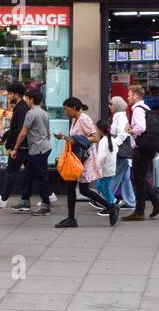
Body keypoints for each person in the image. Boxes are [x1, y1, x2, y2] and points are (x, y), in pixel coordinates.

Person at [54, 97, 117, 228]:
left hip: (85, 159)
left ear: (74, 108)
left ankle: (111, 206)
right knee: (71, 187)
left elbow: (95, 138)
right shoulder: (74, 119)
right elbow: (74, 139)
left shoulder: (84, 119)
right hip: (76, 158)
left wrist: (76, 139)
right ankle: (71, 218)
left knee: (83, 189)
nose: (65, 112)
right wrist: (64, 137)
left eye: (66, 109)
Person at [121, 85, 159, 222]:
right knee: (140, 178)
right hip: (149, 147)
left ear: (135, 96)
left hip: (141, 148)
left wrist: (130, 130)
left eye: (129, 95)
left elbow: (141, 127)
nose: (127, 98)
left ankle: (140, 211)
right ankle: (156, 204)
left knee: (138, 179)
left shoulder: (138, 110)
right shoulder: (147, 108)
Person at [10, 89, 53, 216]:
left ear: (31, 99)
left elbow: (23, 133)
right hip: (43, 148)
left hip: (38, 150)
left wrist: (15, 148)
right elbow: (48, 133)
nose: (26, 101)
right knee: (28, 175)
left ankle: (45, 205)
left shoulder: (31, 113)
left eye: (27, 99)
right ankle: (24, 201)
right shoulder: (44, 113)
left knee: (41, 178)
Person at [0, 83, 27, 208]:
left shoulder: (21, 109)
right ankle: (49, 196)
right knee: (32, 172)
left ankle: (3, 199)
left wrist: (15, 148)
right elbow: (14, 129)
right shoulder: (20, 107)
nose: (8, 96)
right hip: (22, 146)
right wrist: (4, 138)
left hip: (20, 147)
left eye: (9, 94)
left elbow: (20, 130)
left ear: (16, 94)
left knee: (11, 172)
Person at [109, 96, 136, 208]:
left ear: (117, 106)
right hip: (123, 152)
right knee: (125, 178)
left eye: (111, 104)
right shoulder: (119, 116)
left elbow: (123, 133)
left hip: (121, 152)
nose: (109, 106)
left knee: (115, 176)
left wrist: (114, 144)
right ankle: (130, 201)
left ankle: (106, 199)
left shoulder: (120, 117)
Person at [93, 118, 118, 209]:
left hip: (105, 169)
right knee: (104, 187)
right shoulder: (111, 139)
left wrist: (96, 167)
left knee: (103, 187)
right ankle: (109, 203)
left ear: (100, 130)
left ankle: (112, 203)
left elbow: (101, 157)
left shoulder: (103, 141)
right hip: (111, 168)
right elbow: (116, 150)